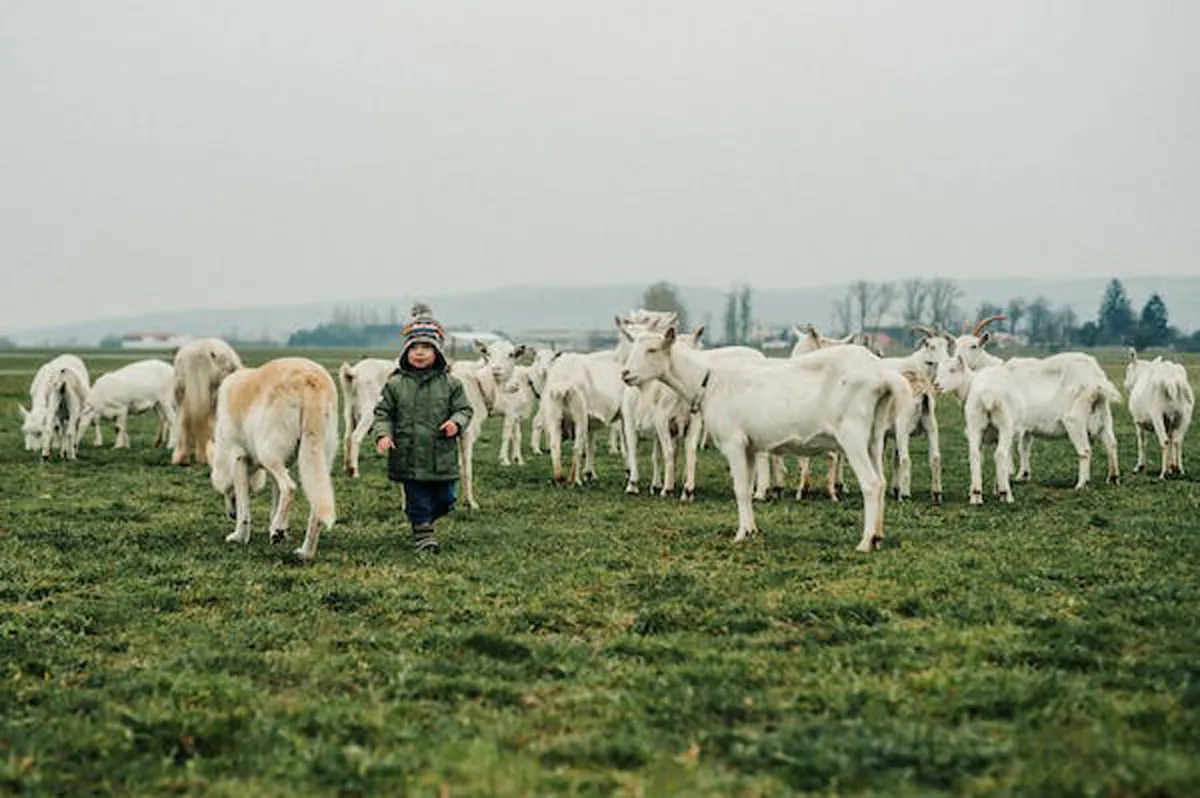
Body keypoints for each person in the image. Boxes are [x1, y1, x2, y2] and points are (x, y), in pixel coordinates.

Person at [373, 304, 473, 552]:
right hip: (408, 456)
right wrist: (383, 434)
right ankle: (423, 533)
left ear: (437, 352)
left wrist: (455, 423)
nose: (419, 353)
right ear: (405, 352)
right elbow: (383, 413)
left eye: (426, 347)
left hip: (441, 456)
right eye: (414, 348)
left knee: (446, 500)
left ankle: (424, 517)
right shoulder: (395, 384)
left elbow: (464, 409)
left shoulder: (451, 384)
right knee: (418, 498)